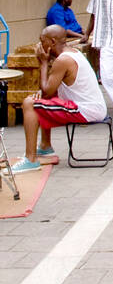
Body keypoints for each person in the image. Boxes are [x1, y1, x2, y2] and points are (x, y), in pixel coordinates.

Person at [11, 25, 107, 173]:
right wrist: (41, 92)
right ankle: (45, 146)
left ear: (52, 42)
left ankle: (30, 160)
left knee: (29, 104)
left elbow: (47, 92)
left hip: (86, 110)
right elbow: (48, 89)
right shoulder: (72, 52)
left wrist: (43, 63)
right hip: (91, 107)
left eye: (41, 41)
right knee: (40, 98)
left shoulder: (63, 60)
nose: (39, 45)